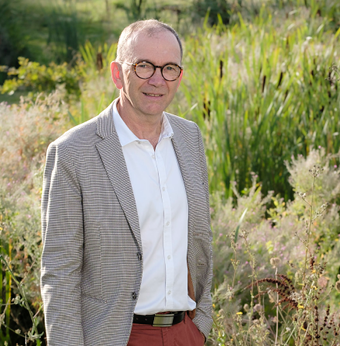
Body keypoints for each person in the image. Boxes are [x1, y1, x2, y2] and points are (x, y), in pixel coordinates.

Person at [40, 19, 212, 346]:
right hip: (114, 336)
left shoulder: (190, 138)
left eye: (169, 68)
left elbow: (201, 243)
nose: (158, 80)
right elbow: (59, 274)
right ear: (117, 73)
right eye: (144, 66)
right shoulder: (73, 152)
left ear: (180, 75)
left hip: (186, 334)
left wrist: (200, 323)